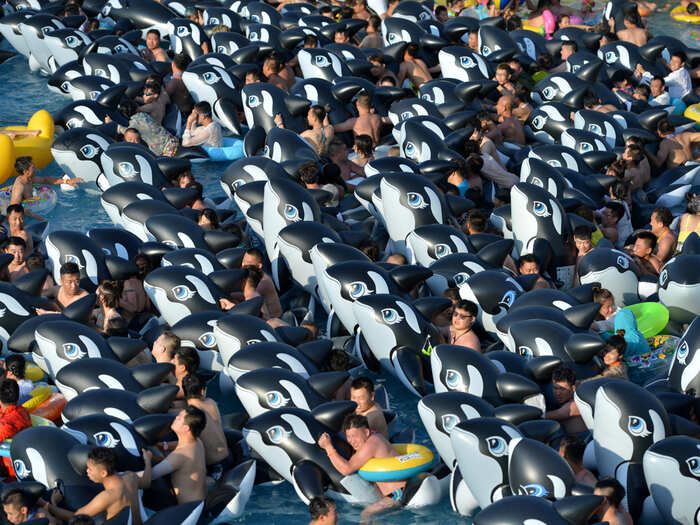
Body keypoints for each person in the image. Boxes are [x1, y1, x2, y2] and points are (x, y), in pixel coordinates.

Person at [318, 415, 405, 523]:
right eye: (348, 436)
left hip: (399, 493)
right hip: (395, 493)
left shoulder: (372, 443)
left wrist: (328, 447)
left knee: (366, 513)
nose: (351, 441)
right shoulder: (374, 437)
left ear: (367, 432)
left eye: (354, 436)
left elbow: (346, 469)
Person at [42, 447, 152, 525]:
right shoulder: (130, 476)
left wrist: (52, 504)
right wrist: (148, 461)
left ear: (104, 473)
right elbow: (146, 483)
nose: (87, 472)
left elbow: (76, 517)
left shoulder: (107, 496)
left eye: (90, 469)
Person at [153, 406, 207, 505]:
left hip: (187, 510)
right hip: (200, 503)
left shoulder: (180, 456)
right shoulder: (198, 442)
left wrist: (148, 459)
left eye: (179, 418)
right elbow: (181, 445)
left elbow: (151, 475)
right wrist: (166, 445)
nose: (175, 418)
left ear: (186, 428)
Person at [181, 374, 229, 480]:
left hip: (214, 467)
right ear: (203, 391)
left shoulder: (188, 416)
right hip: (227, 456)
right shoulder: (211, 403)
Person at [10, 158, 82, 220]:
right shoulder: (20, 187)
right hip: (24, 216)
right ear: (26, 172)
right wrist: (33, 216)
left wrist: (67, 181)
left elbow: (45, 180)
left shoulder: (29, 179)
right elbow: (14, 208)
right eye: (33, 167)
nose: (36, 169)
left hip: (30, 205)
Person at [240, 248, 283, 320]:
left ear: (259, 266)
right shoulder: (251, 275)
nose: (243, 264)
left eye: (248, 262)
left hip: (273, 319)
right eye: (243, 260)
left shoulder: (263, 282)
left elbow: (247, 297)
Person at [545, 366, 587, 435]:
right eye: (555, 388)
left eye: (562, 389)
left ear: (573, 388)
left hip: (583, 442)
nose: (558, 393)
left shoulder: (575, 404)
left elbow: (544, 416)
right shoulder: (564, 401)